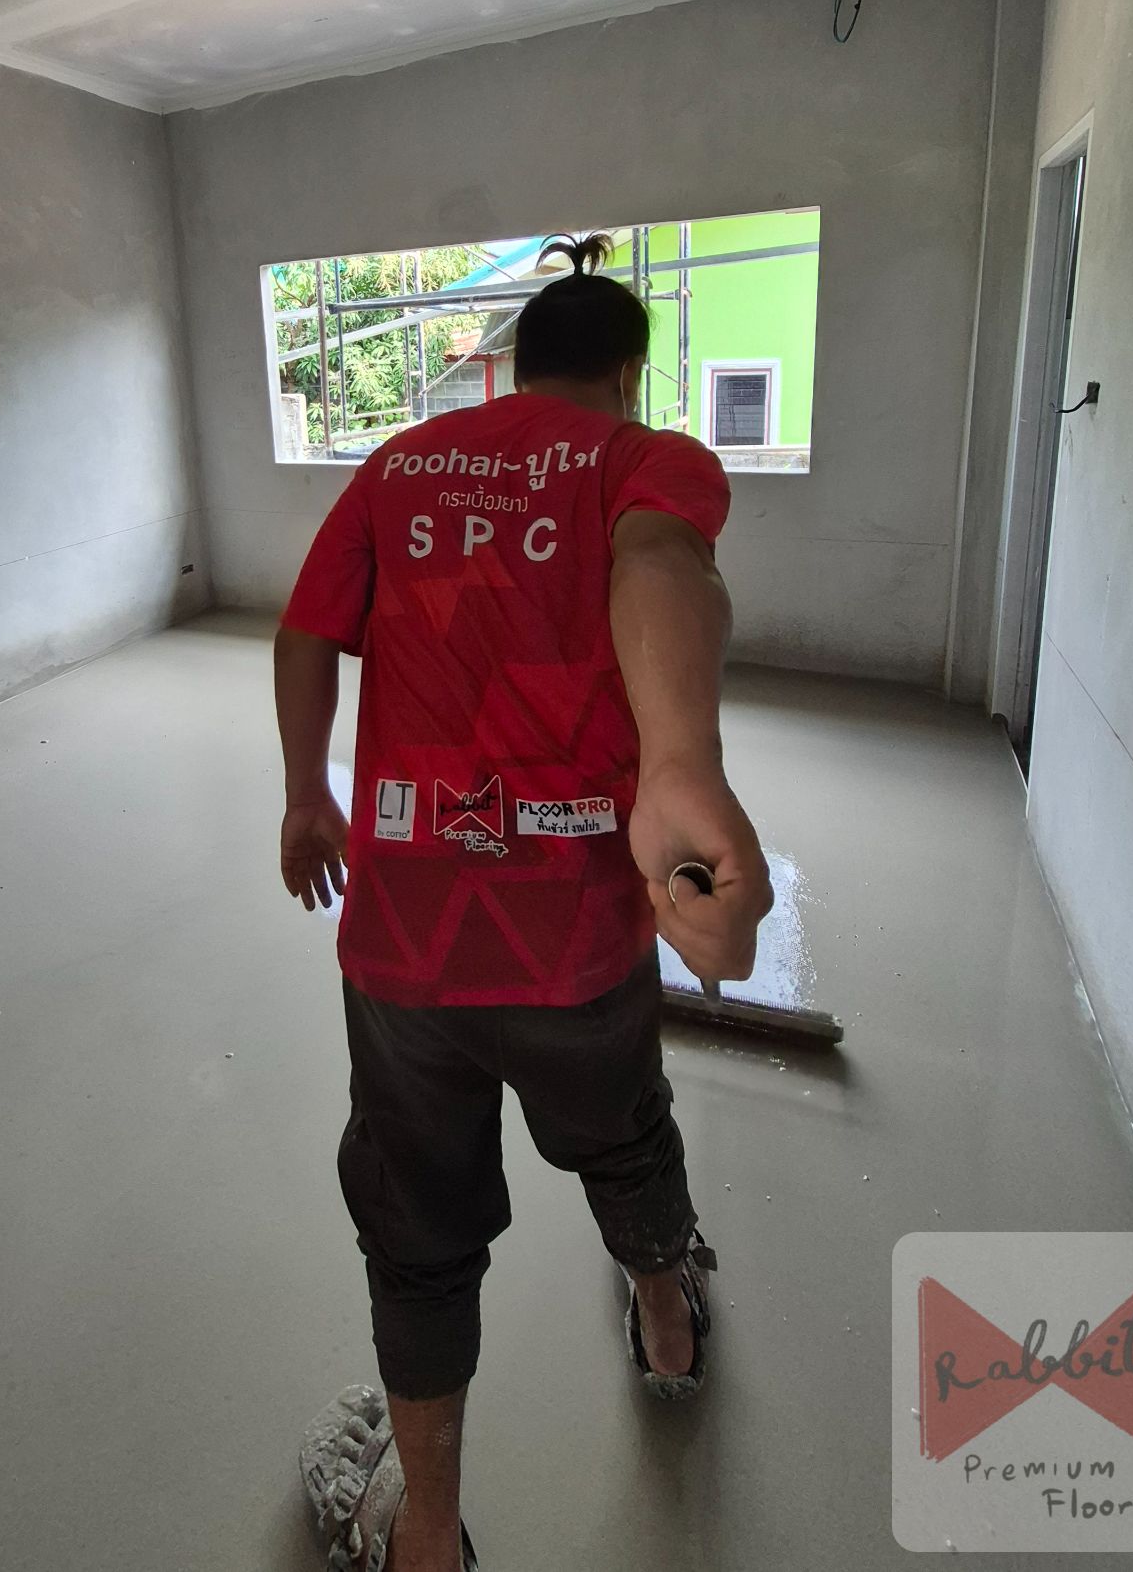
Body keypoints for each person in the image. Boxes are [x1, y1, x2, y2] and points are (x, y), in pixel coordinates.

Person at [275, 234, 775, 1572]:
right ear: (626, 370)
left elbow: (306, 629)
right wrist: (680, 760)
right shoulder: (641, 461)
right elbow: (665, 563)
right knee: (622, 1132)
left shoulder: (397, 465)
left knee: (417, 1223)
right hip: (575, 933)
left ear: (510, 365)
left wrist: (307, 794)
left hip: (405, 944)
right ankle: (666, 1321)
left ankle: (427, 1529)